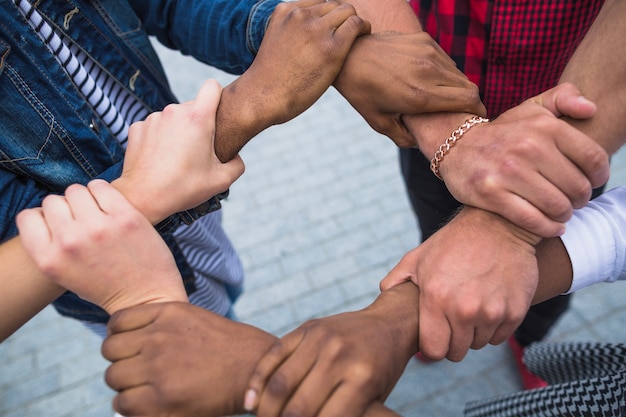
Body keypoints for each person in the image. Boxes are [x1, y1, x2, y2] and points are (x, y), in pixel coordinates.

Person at [1, 0, 481, 341]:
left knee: (219, 294)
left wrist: (303, 38)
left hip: (186, 194)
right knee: (194, 355)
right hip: (108, 268)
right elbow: (28, 226)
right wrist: (250, 102)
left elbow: (167, 5)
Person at [395, 0, 615, 389]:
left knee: (555, 267)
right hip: (430, 102)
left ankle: (530, 344)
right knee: (435, 231)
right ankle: (435, 306)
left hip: (572, 122)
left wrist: (505, 229)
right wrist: (449, 135)